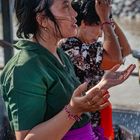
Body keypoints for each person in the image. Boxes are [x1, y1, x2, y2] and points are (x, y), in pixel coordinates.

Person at [0, 0, 135, 140]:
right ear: (43, 19)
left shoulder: (59, 55)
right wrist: (73, 110)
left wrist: (102, 85)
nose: (75, 13)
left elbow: (67, 102)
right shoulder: (24, 69)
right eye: (65, 7)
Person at [59, 0, 132, 139]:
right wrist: (105, 19)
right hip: (77, 124)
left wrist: (107, 16)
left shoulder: (88, 46)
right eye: (99, 26)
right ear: (83, 23)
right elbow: (115, 60)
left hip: (92, 118)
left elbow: (125, 51)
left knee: (125, 135)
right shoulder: (71, 47)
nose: (101, 34)